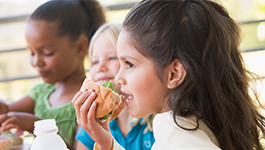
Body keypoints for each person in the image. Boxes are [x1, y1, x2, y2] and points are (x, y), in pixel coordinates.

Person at [72, 0, 265, 150]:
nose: (119, 78)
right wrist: (107, 143)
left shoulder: (172, 127)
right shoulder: (193, 121)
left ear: (174, 74)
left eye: (129, 64)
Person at [0, 0, 106, 149]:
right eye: (31, 53)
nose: (36, 61)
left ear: (81, 48)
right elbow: (6, 111)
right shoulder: (39, 94)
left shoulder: (88, 101)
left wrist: (36, 126)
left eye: (47, 53)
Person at [75, 22, 155, 150]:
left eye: (112, 58)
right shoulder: (92, 120)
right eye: (95, 61)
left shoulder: (158, 121)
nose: (100, 67)